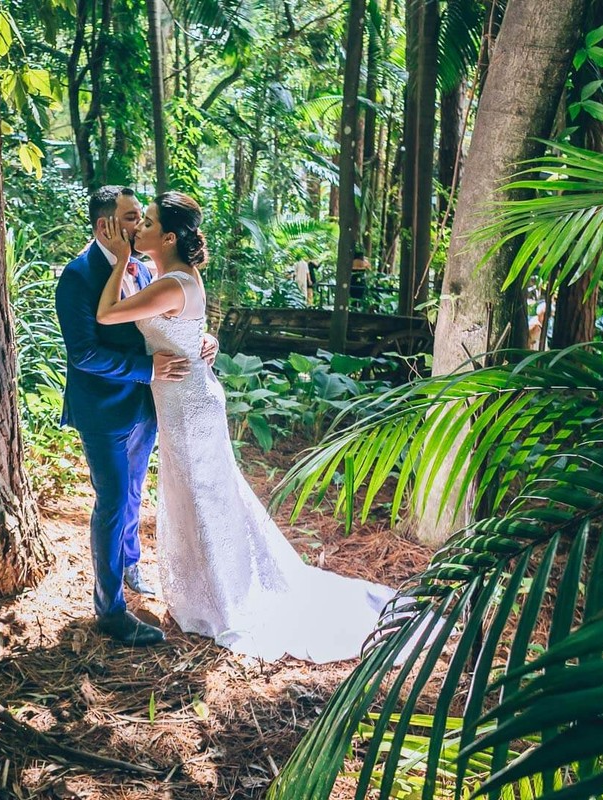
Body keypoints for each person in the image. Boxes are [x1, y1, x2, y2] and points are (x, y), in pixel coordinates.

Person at [95, 192, 397, 663]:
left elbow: (109, 314)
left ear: (169, 237)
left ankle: (225, 598)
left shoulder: (170, 281)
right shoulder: (167, 275)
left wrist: (117, 260)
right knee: (194, 496)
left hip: (190, 406)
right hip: (181, 401)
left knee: (204, 497)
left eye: (147, 223)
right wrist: (203, 338)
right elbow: (183, 326)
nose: (138, 229)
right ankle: (203, 591)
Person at [54, 186, 217, 647]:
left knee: (133, 492)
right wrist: (146, 369)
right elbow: (83, 353)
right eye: (130, 218)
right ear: (104, 224)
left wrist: (201, 342)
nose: (137, 227)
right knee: (110, 502)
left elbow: (171, 320)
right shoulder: (78, 276)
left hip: (147, 406)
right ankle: (110, 610)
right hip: (103, 410)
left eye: (140, 219)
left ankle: (130, 566)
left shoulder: (145, 267)